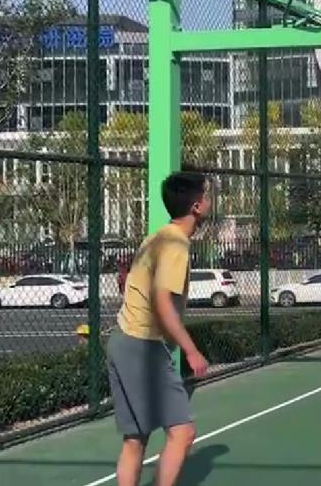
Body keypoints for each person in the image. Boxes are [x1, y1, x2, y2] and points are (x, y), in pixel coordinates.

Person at [107, 172, 212, 486]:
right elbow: (163, 302)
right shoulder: (176, 244)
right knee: (183, 432)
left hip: (123, 340)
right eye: (206, 195)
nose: (210, 200)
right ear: (196, 206)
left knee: (135, 438)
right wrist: (192, 351)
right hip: (143, 346)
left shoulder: (157, 237)